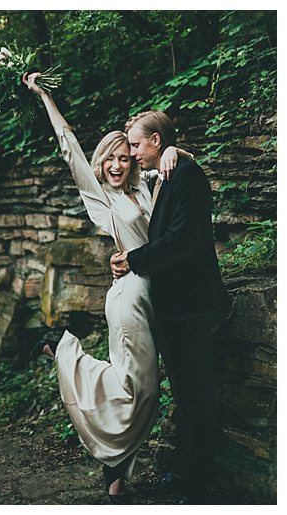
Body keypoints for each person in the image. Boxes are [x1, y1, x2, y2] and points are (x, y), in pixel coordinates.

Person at [23, 73, 194, 503]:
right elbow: (68, 146)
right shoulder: (99, 196)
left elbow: (175, 170)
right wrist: (44, 96)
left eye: (124, 157)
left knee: (141, 391)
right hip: (129, 297)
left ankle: (116, 478)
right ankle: (64, 353)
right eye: (110, 159)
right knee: (142, 389)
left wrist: (174, 147)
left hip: (157, 295)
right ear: (100, 164)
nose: (117, 164)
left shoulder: (147, 187)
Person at [111, 110, 226, 504]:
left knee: (196, 394)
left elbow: (182, 240)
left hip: (192, 304)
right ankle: (182, 474)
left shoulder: (187, 177)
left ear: (157, 141)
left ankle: (197, 485)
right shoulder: (164, 176)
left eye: (138, 144)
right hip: (172, 305)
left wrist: (135, 259)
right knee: (183, 394)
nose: (132, 152)